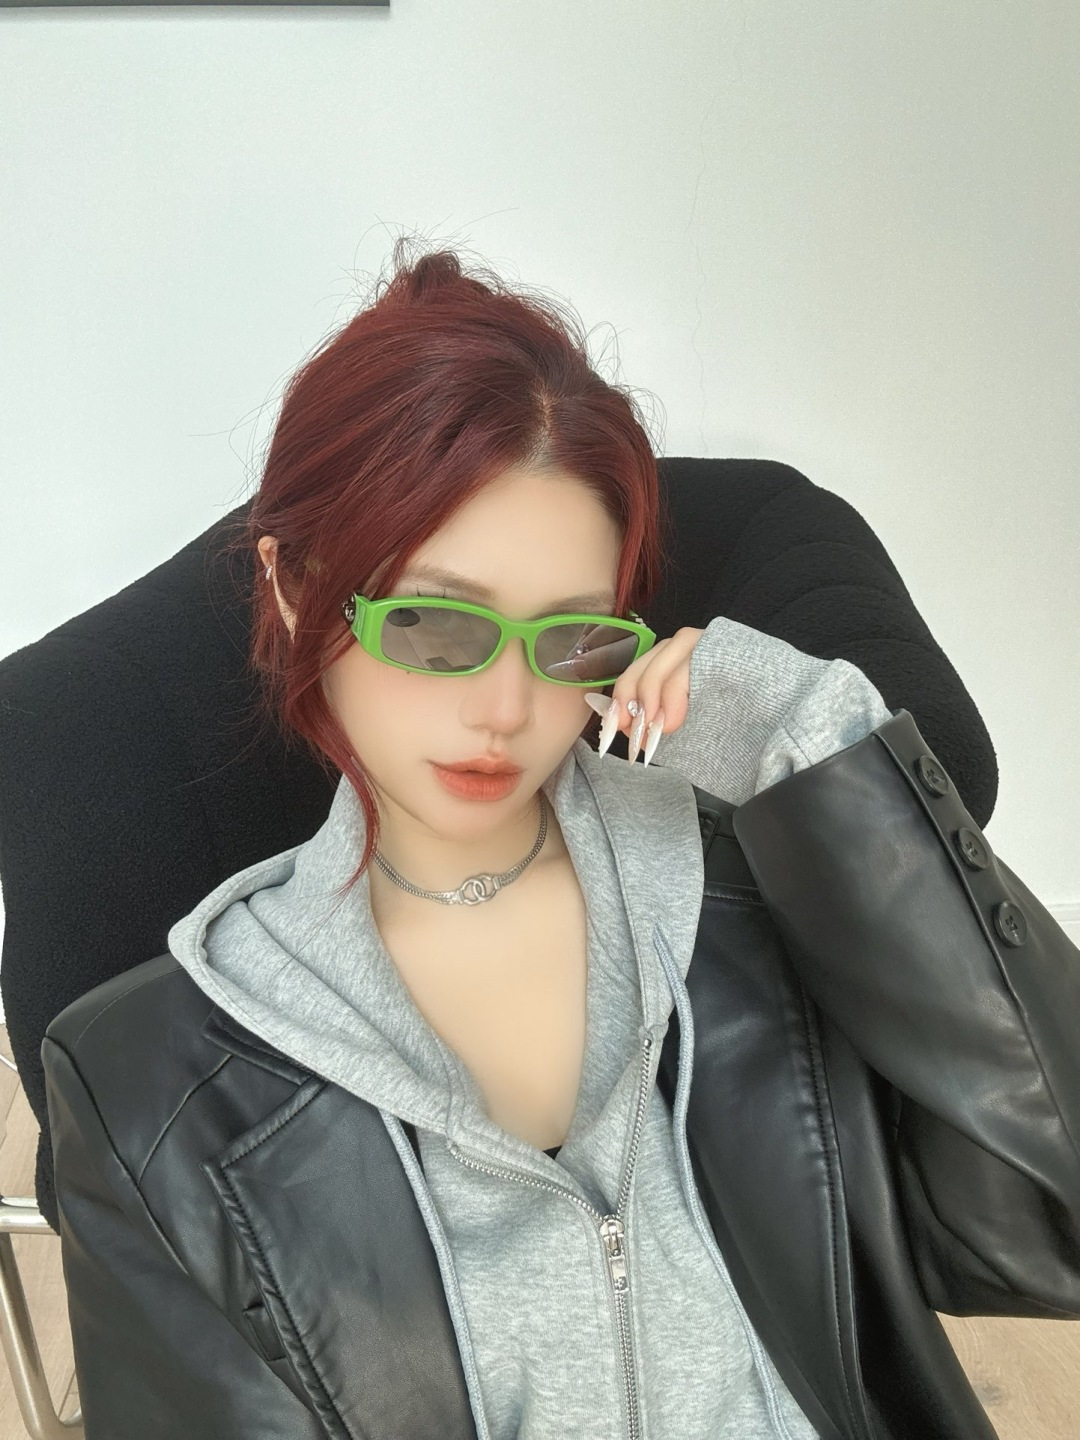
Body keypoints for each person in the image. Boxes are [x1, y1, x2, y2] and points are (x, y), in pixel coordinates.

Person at [42, 241, 1080, 1440]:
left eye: (570, 639)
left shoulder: (760, 897)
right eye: (434, 625)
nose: (506, 709)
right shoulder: (147, 1085)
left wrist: (813, 746)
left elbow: (1051, 1225)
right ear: (290, 589)